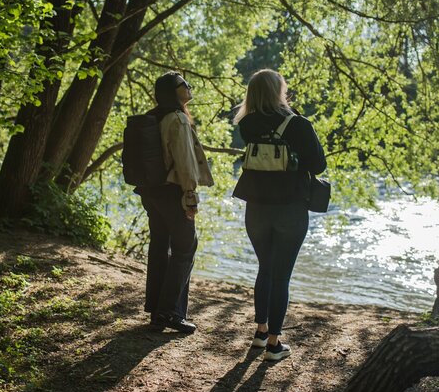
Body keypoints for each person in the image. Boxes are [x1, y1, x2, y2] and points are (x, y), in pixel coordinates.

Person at [232, 69, 326, 361]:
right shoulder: (297, 124)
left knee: (265, 268)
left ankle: (260, 333)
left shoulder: (246, 124)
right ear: (279, 91)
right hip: (290, 208)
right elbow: (319, 165)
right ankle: (274, 343)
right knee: (282, 274)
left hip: (256, 207)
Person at [136, 71, 214, 333]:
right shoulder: (178, 119)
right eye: (184, 84)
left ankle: (156, 309)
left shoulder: (154, 116)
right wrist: (190, 196)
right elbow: (185, 163)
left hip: (152, 192)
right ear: (173, 91)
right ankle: (169, 312)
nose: (189, 87)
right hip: (172, 192)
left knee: (160, 246)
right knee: (185, 248)